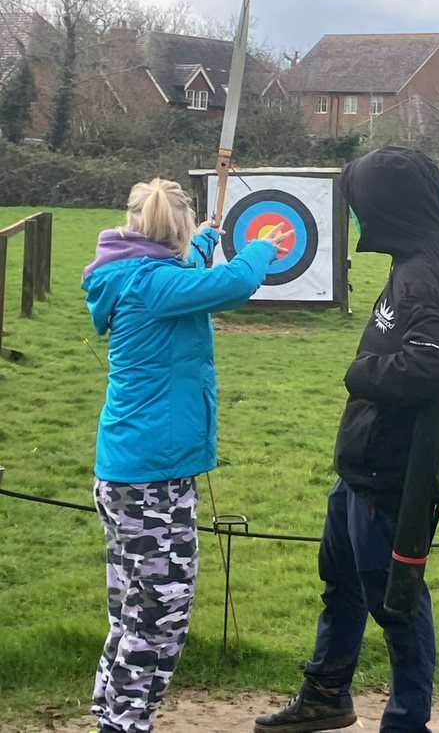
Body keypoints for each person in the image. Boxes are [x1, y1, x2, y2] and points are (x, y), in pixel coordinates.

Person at [254, 147, 439, 733]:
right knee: (344, 581)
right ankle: (327, 694)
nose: (355, 216)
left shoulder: (422, 273)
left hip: (388, 473)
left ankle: (407, 722)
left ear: (388, 209)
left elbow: (431, 369)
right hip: (364, 464)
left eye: (361, 205)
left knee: (396, 602)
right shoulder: (427, 256)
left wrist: (358, 373)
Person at [82, 178, 292, 733]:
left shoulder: (133, 274)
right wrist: (262, 246)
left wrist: (199, 241)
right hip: (153, 479)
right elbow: (232, 283)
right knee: (159, 618)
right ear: (172, 235)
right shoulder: (156, 284)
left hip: (129, 471)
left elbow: (181, 277)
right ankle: (124, 725)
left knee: (133, 609)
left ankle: (113, 712)